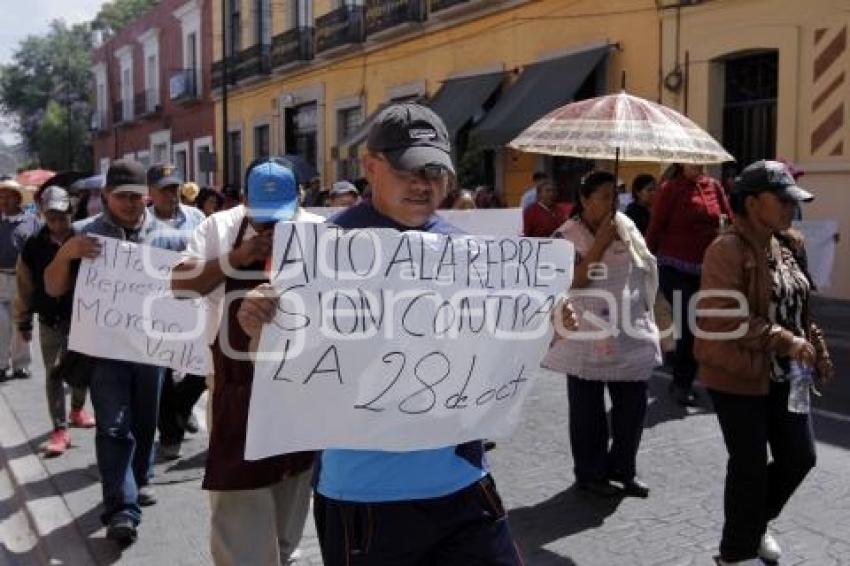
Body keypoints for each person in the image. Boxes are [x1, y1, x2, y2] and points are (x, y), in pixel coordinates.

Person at [236, 103, 577, 565]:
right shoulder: (318, 252)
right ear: (370, 166)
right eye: (408, 169)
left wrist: (548, 326)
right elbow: (276, 361)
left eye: (436, 171)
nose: (423, 184)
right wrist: (256, 321)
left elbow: (501, 350)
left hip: (464, 485)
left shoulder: (467, 251)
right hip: (365, 497)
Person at [170, 157, 321, 566]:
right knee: (239, 497)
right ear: (244, 201)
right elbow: (180, 285)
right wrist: (241, 255)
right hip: (236, 387)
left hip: (300, 385)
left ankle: (284, 552)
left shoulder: (319, 232)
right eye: (262, 216)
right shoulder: (218, 227)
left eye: (281, 216)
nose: (271, 226)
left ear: (301, 198)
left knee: (292, 486)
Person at [694, 160, 833, 565]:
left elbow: (800, 308)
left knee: (800, 457)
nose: (792, 207)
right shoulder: (725, 249)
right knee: (750, 466)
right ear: (753, 203)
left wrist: (815, 345)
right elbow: (722, 316)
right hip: (738, 372)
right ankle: (735, 553)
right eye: (783, 200)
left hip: (788, 375)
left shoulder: (791, 242)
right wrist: (785, 341)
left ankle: (753, 524)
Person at [44, 160, 165, 545]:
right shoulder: (82, 233)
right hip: (103, 351)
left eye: (137, 197)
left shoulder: (167, 235)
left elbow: (191, 284)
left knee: (145, 422)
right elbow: (52, 288)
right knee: (114, 426)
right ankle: (121, 510)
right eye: (122, 197)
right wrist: (67, 255)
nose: (131, 204)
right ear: (105, 197)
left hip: (151, 350)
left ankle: (139, 478)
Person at [543, 171, 660, 499]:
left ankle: (624, 468)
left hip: (628, 330)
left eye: (616, 196)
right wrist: (601, 243)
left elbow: (646, 266)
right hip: (585, 334)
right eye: (605, 196)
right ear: (585, 200)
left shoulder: (627, 226)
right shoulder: (565, 236)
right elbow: (575, 281)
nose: (613, 203)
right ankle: (590, 473)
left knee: (633, 406)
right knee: (587, 413)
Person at [15, 186, 95, 457]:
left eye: (62, 217)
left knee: (83, 370)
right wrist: (23, 321)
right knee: (54, 373)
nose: (58, 224)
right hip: (49, 318)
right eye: (51, 218)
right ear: (43, 217)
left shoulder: (85, 239)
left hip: (82, 318)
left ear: (71, 213)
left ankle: (76, 410)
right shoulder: (33, 244)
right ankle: (59, 429)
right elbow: (24, 285)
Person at [646, 163, 732, 406]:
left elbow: (729, 218)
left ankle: (700, 375)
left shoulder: (714, 186)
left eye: (700, 159)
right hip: (675, 266)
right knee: (689, 324)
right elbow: (656, 225)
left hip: (708, 267)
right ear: (682, 163)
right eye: (691, 159)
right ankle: (681, 383)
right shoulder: (670, 189)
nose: (697, 163)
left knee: (707, 326)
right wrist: (643, 258)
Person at [145, 164, 208, 461]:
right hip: (155, 307)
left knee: (201, 368)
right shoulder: (142, 222)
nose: (172, 194)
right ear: (151, 192)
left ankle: (183, 409)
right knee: (163, 374)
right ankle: (170, 434)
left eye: (175, 188)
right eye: (165, 189)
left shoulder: (196, 217)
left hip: (193, 303)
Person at [0, 178, 38, 380]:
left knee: (20, 322)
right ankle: (1, 364)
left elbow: (39, 249)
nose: (3, 201)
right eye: (1, 197)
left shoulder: (31, 221)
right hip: (0, 278)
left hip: (22, 279)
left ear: (18, 199)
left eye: (8, 197)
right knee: (1, 322)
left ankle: (20, 365)